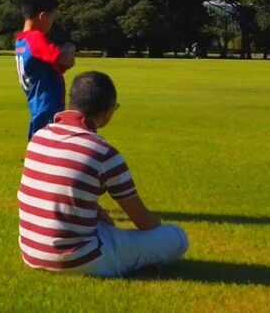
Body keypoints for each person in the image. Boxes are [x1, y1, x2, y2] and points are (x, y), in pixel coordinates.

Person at [18, 71, 188, 277]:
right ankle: (139, 259)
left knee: (109, 228)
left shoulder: (39, 137)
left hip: (31, 252)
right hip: (80, 259)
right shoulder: (102, 152)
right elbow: (142, 220)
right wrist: (158, 227)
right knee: (177, 237)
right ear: (107, 112)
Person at [15, 0, 76, 139]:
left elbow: (55, 66)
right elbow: (66, 60)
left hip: (37, 104)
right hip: (47, 105)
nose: (52, 23)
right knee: (49, 146)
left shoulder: (21, 41)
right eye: (52, 17)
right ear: (43, 16)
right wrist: (70, 49)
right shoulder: (35, 38)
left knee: (39, 144)